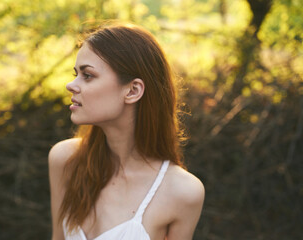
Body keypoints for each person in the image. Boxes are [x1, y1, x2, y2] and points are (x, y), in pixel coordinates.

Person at [48, 22, 205, 240]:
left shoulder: (182, 192)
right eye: (76, 74)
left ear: (132, 91)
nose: (71, 85)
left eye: (88, 75)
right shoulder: (65, 160)